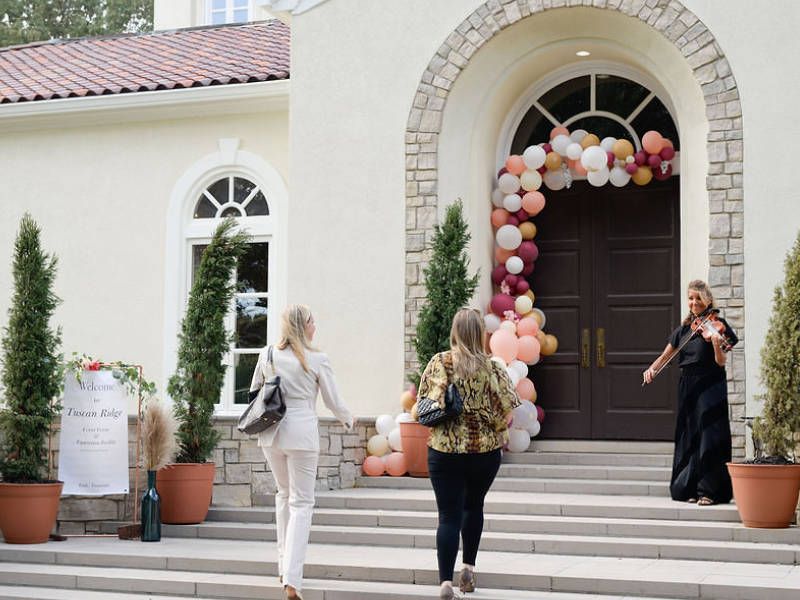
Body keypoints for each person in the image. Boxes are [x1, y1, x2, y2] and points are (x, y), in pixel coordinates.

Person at [250, 304, 354, 600]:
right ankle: (293, 580)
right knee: (302, 503)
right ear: (302, 325)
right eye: (312, 320)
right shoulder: (318, 358)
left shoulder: (267, 354)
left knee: (284, 496)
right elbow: (334, 402)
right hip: (302, 435)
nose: (315, 325)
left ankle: (284, 569)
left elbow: (255, 390)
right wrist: (348, 418)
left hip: (272, 433)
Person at [418, 308, 520, 599]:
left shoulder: (441, 362)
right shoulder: (494, 367)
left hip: (445, 451)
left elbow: (425, 405)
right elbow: (507, 415)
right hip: (484, 453)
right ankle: (469, 570)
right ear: (480, 333)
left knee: (448, 516)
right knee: (473, 507)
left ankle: (445, 583)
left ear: (454, 331)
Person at [643, 280, 738, 506]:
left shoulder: (717, 325)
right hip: (688, 385)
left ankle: (710, 491)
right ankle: (688, 487)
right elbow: (666, 356)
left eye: (698, 298)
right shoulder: (685, 329)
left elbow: (721, 361)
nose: (694, 303)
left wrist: (715, 342)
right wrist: (652, 369)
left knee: (710, 435)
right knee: (689, 435)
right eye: (691, 298)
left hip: (710, 384)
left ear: (707, 300)